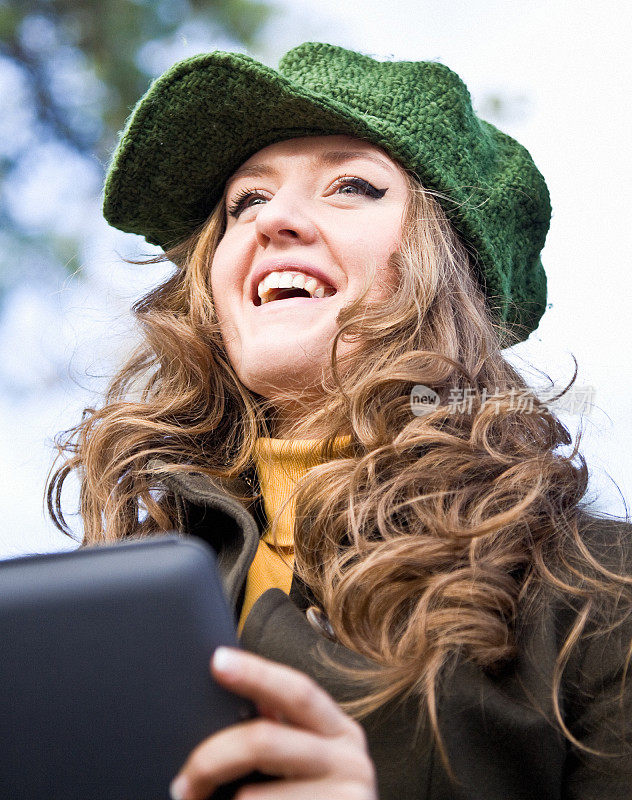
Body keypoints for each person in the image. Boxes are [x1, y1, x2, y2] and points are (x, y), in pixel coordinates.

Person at [47, 42, 632, 799]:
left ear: (450, 267)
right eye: (245, 202)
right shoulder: (115, 595)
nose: (274, 220)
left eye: (352, 185)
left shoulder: (600, 591)